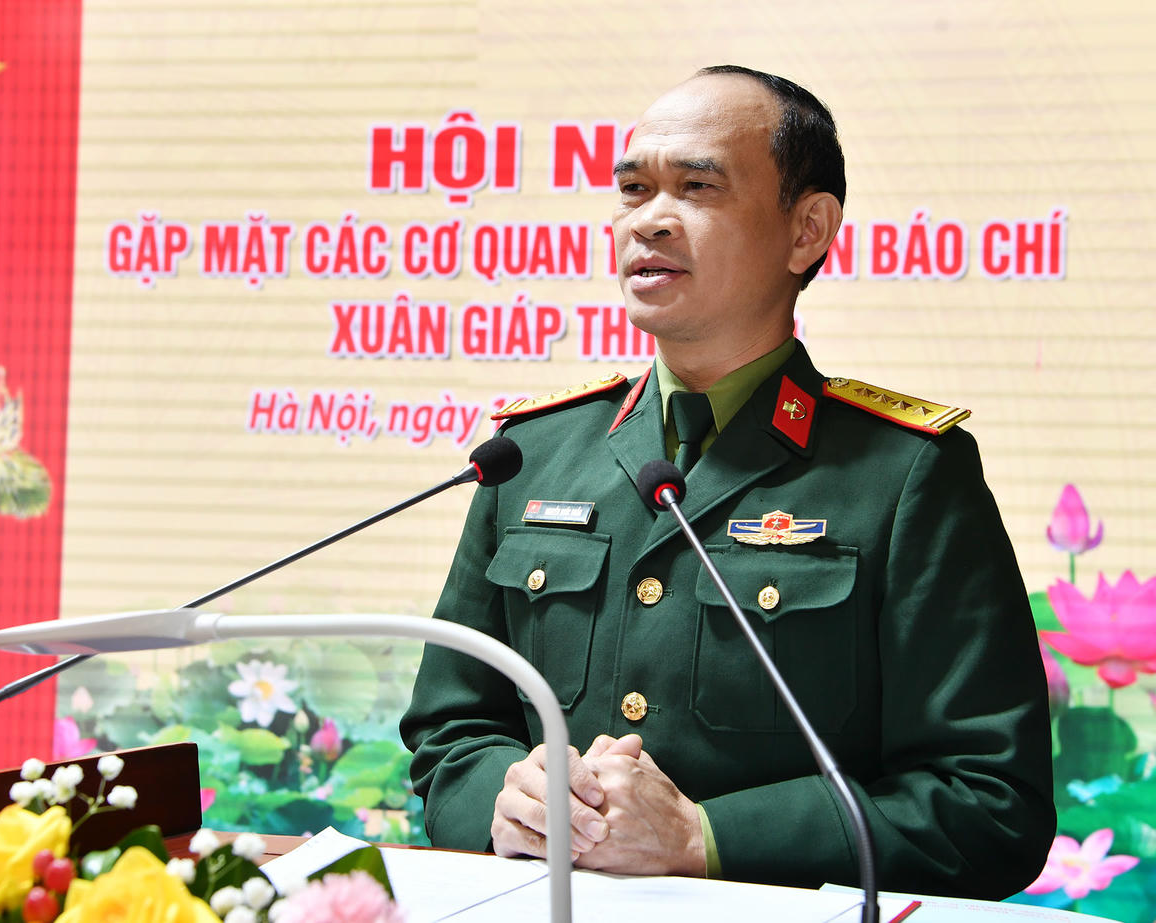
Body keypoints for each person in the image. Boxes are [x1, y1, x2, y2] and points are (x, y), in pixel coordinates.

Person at [400, 65, 1055, 899]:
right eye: (633, 190)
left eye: (697, 187)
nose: (648, 220)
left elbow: (990, 803)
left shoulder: (906, 475)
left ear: (807, 230)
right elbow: (451, 729)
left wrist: (705, 837)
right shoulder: (531, 454)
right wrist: (503, 799)